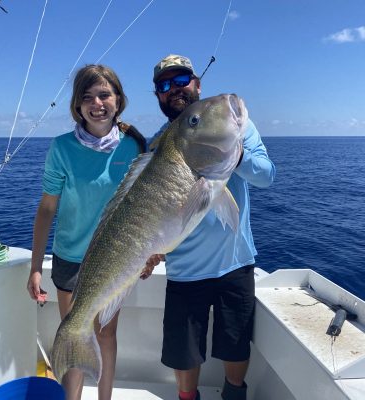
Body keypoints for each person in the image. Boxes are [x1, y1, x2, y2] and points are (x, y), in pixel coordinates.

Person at [147, 55, 276, 400]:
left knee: (236, 344)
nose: (174, 89)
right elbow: (154, 213)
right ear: (158, 96)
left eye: (181, 80)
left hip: (234, 262)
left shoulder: (233, 124)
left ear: (197, 83)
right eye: (164, 85)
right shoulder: (156, 146)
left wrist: (231, 154)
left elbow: (266, 175)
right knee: (183, 350)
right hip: (184, 270)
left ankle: (234, 396)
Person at [26, 64, 149, 400]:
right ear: (77, 106)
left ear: (119, 100)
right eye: (88, 97)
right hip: (70, 257)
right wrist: (36, 267)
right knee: (73, 335)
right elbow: (47, 208)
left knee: (106, 334)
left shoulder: (134, 146)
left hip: (115, 259)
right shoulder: (61, 147)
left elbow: (145, 209)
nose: (97, 102)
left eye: (105, 94)